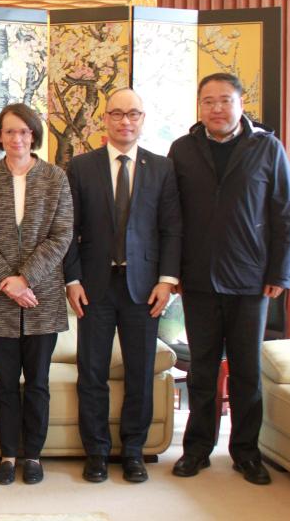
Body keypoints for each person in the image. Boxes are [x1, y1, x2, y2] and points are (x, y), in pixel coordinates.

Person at [168, 73, 290, 485]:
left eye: (225, 100)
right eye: (208, 101)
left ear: (241, 104)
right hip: (199, 278)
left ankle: (245, 452)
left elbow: (285, 213)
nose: (217, 108)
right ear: (199, 106)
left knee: (246, 371)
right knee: (202, 370)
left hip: (251, 279)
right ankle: (197, 450)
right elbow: (172, 217)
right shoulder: (183, 149)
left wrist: (280, 271)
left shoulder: (267, 147)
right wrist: (172, 272)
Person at [63, 89, 182, 484]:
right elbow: (68, 230)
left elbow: (171, 229)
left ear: (143, 119)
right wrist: (72, 279)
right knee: (92, 372)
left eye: (133, 114)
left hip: (144, 288)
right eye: (116, 114)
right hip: (94, 286)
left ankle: (133, 451)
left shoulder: (162, 168)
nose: (125, 121)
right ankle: (96, 452)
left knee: (140, 373)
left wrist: (167, 281)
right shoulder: (81, 167)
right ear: (105, 119)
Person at [0, 103, 73, 486]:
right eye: (9, 131)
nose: (17, 138)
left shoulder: (55, 178)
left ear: (34, 135)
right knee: (6, 383)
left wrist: (25, 279)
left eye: (24, 131)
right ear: (0, 136)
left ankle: (34, 456)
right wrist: (7, 281)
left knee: (38, 382)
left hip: (42, 298)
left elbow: (61, 235)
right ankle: (8, 455)